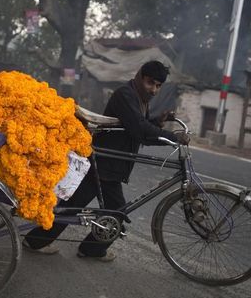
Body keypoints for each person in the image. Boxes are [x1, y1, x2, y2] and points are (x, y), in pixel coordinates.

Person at [22, 60, 190, 261]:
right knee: (113, 211)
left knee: (77, 206)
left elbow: (136, 127)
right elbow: (139, 129)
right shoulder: (125, 95)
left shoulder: (138, 97)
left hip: (109, 164)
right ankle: (87, 249)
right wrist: (173, 137)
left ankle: (40, 241)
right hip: (105, 164)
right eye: (150, 83)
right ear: (139, 77)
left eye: (158, 86)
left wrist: (158, 121)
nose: (153, 89)